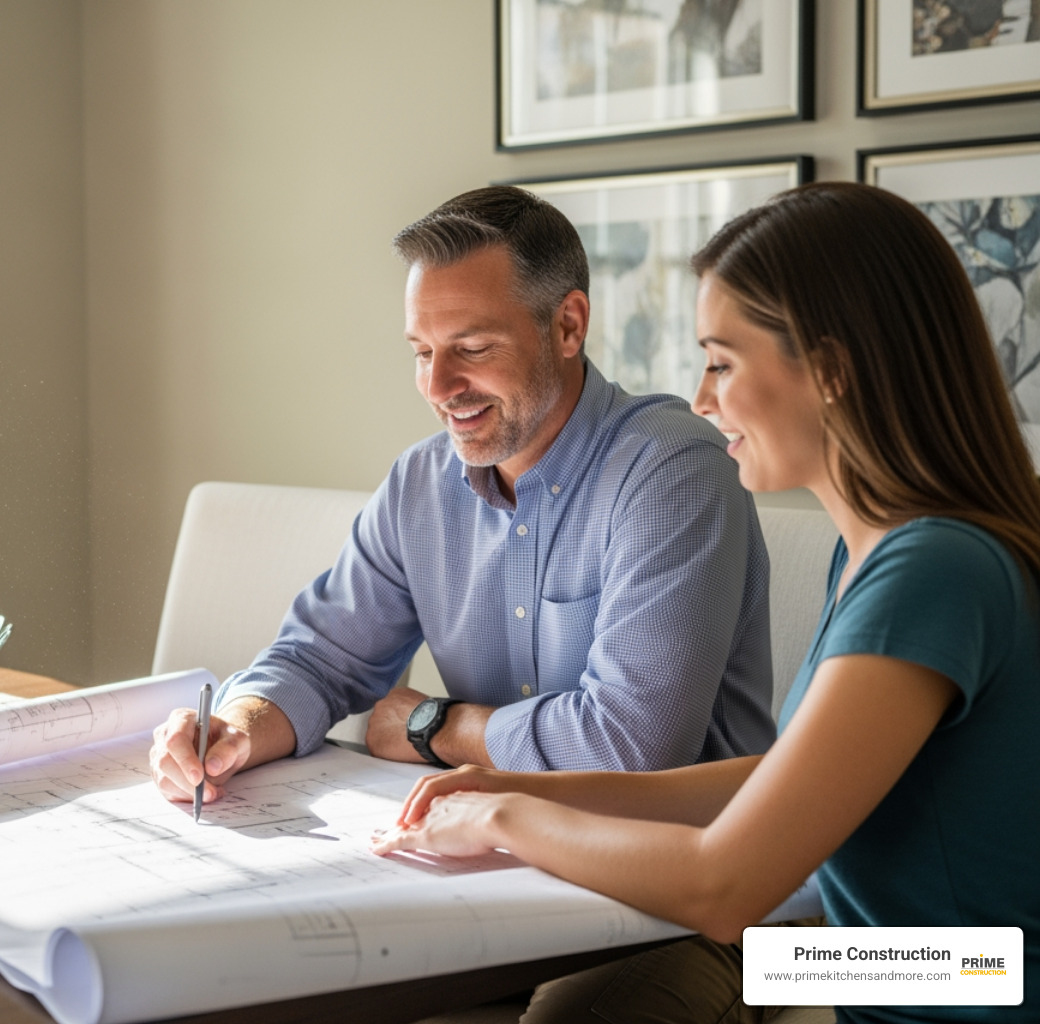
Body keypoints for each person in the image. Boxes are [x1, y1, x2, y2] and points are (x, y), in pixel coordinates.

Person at [372, 181, 1040, 1023]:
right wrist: (529, 793)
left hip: (964, 982)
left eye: (722, 362)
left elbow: (724, 889)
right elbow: (780, 784)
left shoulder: (932, 571)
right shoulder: (880, 554)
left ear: (832, 372)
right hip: (939, 969)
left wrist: (505, 814)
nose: (701, 399)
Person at [151, 185, 773, 798]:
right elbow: (318, 660)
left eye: (472, 348)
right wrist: (235, 729)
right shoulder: (420, 484)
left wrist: (437, 726)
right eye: (423, 352)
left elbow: (631, 746)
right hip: (487, 838)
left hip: (669, 851)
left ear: (568, 325)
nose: (438, 386)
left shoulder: (672, 471)